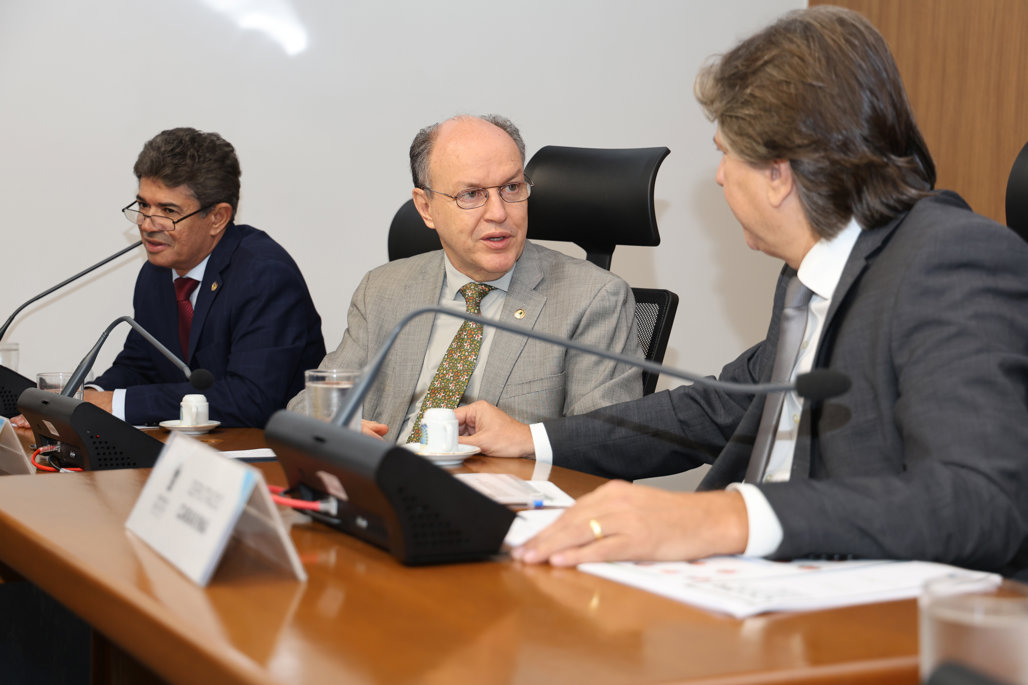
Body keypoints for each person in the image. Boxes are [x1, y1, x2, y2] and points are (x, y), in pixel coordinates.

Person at [455, 7, 1028, 579]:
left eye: (725, 152)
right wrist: (531, 438)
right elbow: (717, 408)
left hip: (872, 610)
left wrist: (727, 518)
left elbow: (980, 500)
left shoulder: (949, 261)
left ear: (778, 173)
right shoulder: (807, 276)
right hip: (748, 585)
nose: (720, 175)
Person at [288, 114, 642, 442]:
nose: (499, 213)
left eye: (511, 188)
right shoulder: (382, 290)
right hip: (381, 476)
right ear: (426, 208)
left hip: (504, 485)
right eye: (472, 194)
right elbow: (309, 405)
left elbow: (607, 442)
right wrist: (335, 426)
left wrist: (525, 440)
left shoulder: (593, 298)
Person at [81, 127, 325, 427]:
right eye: (144, 205)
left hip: (264, 448)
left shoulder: (265, 276)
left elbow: (250, 398)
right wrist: (85, 397)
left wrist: (118, 404)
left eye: (167, 210)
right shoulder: (156, 273)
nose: (147, 224)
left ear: (217, 218)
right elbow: (141, 365)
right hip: (195, 447)